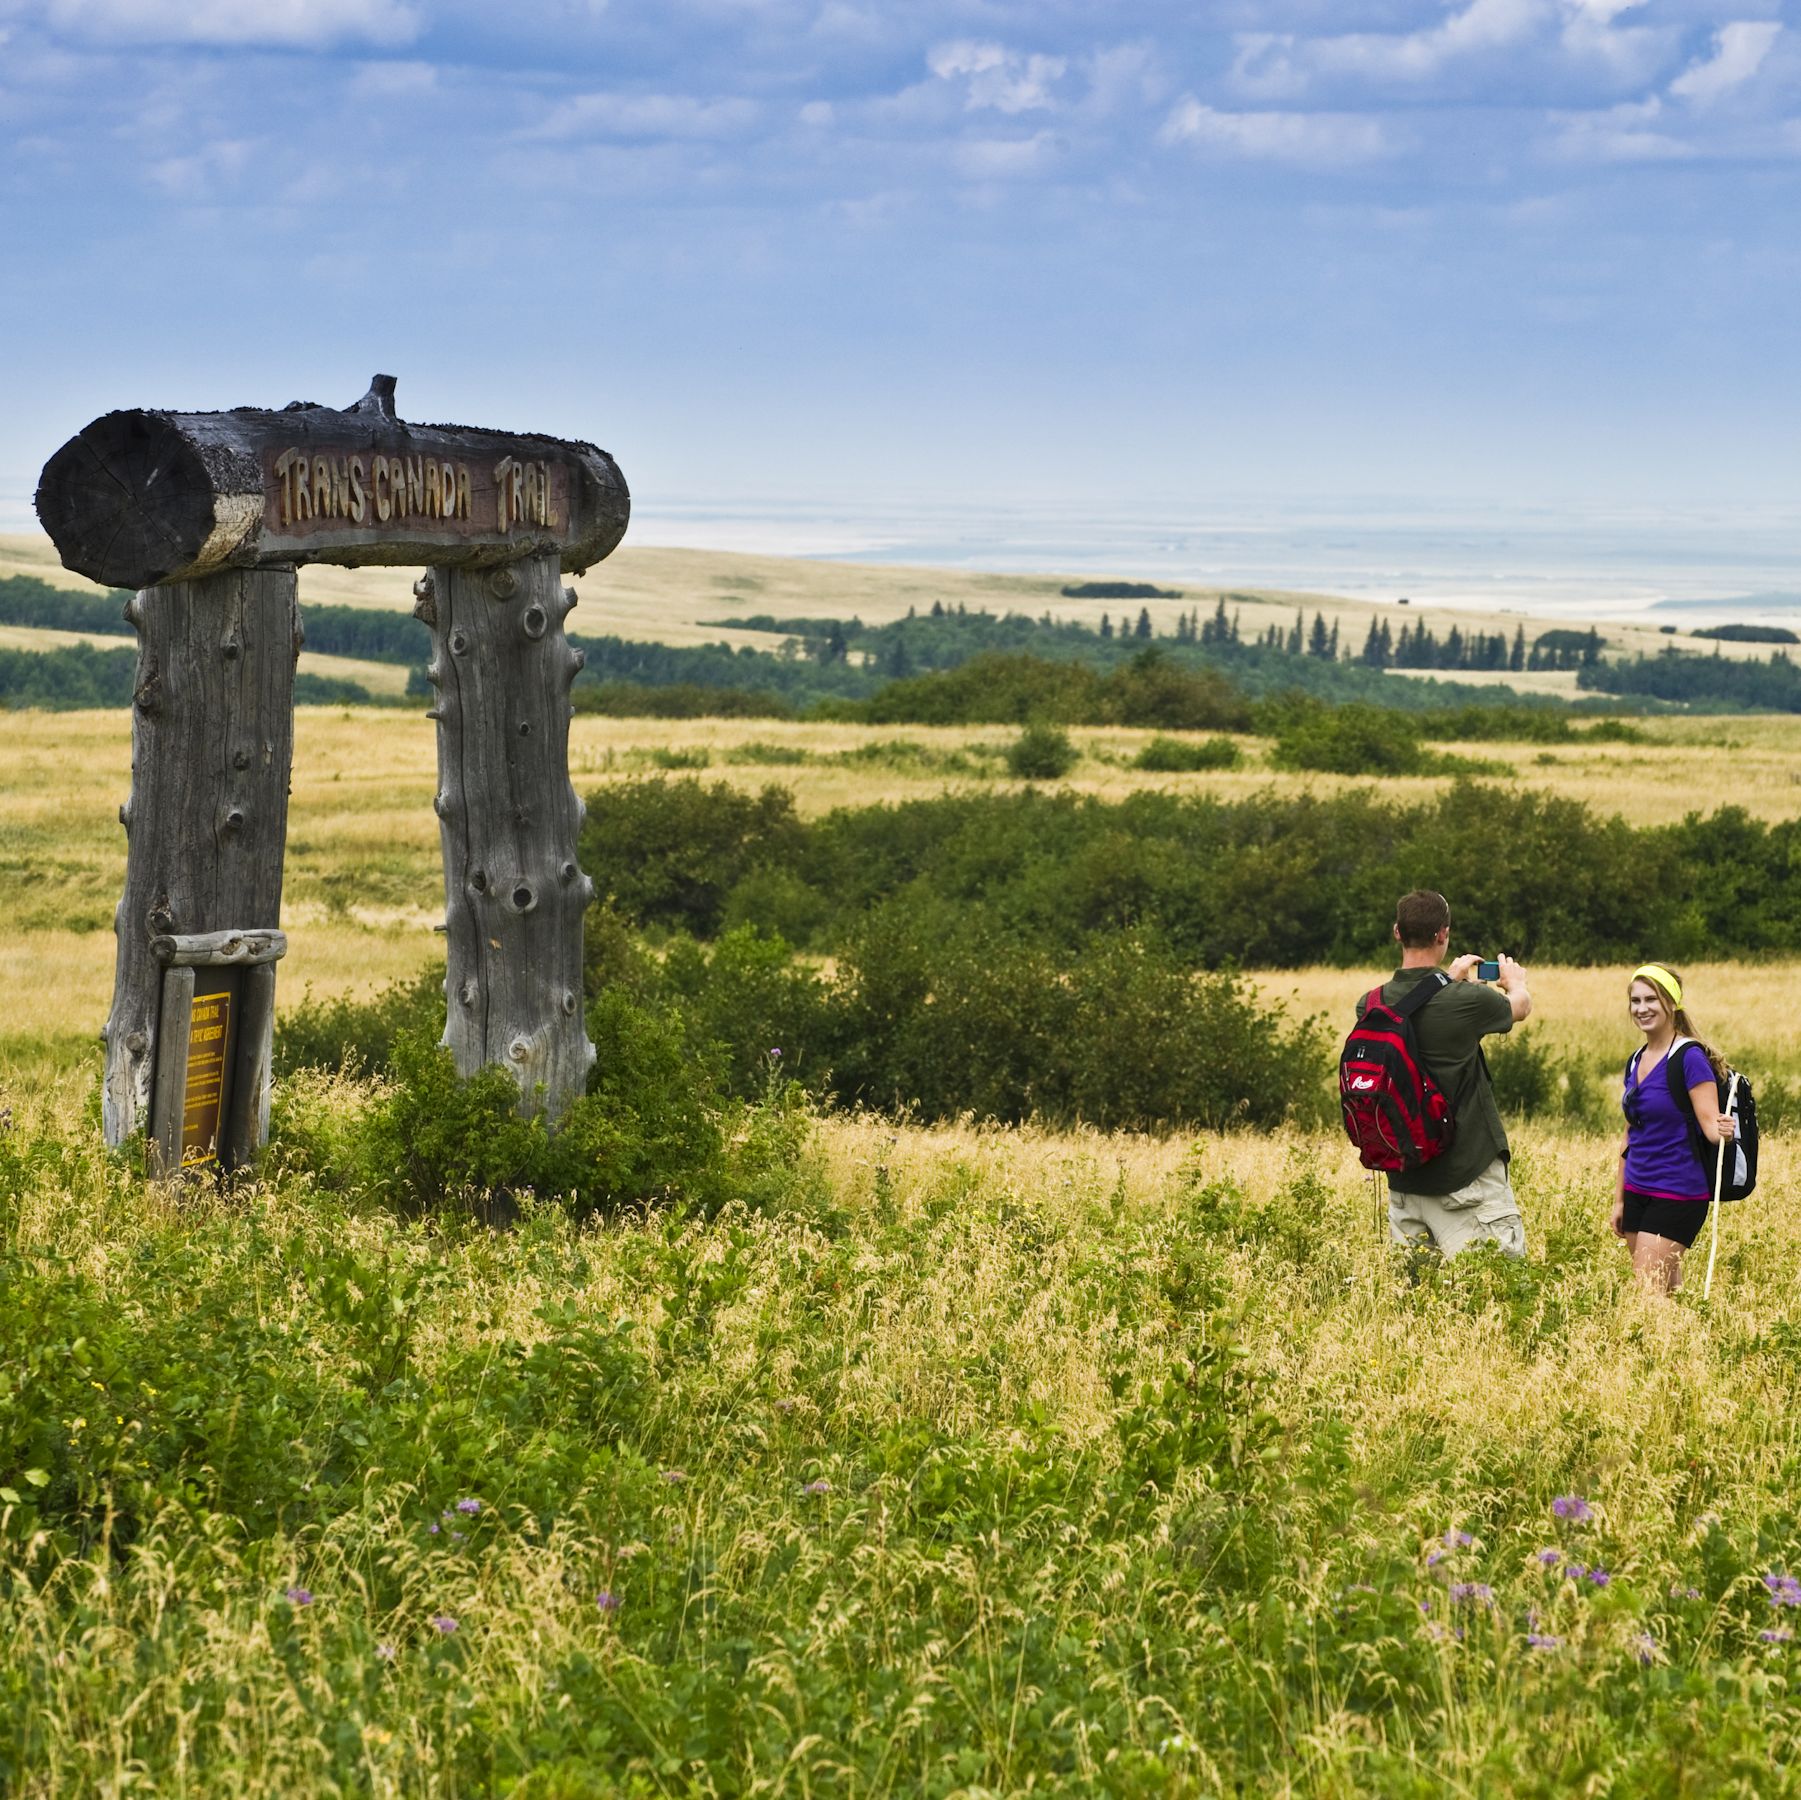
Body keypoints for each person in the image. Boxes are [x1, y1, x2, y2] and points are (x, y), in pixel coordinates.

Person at [1357, 890, 1532, 1257]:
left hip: (1404, 1184)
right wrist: (1514, 981)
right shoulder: (1469, 1001)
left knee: (1420, 1307)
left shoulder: (1371, 1004)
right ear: (1443, 934)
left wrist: (1444, 981)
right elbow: (1519, 1007)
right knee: (1493, 1297)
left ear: (1396, 933)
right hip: (1465, 1178)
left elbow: (1417, 1010)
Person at [1613, 963, 1735, 1293]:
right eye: (1635, 1001)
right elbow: (1630, 1136)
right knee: (1667, 1292)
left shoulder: (1689, 1058)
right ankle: (1688, 1343)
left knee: (1647, 1293)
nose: (1642, 1009)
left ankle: (1658, 1346)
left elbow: (1711, 1126)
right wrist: (1619, 1200)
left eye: (1651, 999)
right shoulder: (1636, 1059)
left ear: (1672, 1003)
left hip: (1677, 1192)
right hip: (1637, 1190)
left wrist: (1724, 1129)